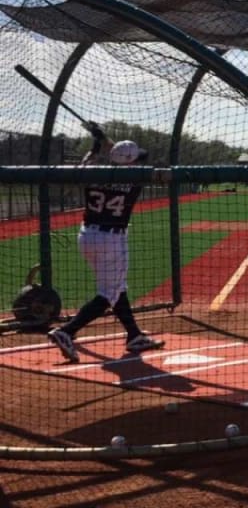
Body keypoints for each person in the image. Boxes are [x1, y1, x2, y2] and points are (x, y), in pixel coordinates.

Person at [48, 124, 164, 363]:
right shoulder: (136, 177)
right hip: (112, 240)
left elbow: (97, 159)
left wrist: (97, 141)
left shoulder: (94, 171)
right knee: (109, 293)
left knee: (117, 288)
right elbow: (130, 159)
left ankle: (134, 335)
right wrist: (104, 138)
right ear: (131, 162)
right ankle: (67, 331)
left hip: (87, 236)